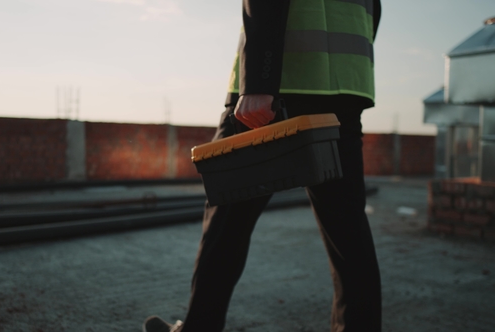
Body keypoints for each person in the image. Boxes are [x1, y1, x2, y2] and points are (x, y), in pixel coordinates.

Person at [143, 0, 382, 331]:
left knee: (227, 220)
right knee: (348, 231)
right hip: (344, 85)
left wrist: (258, 80)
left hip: (279, 85)